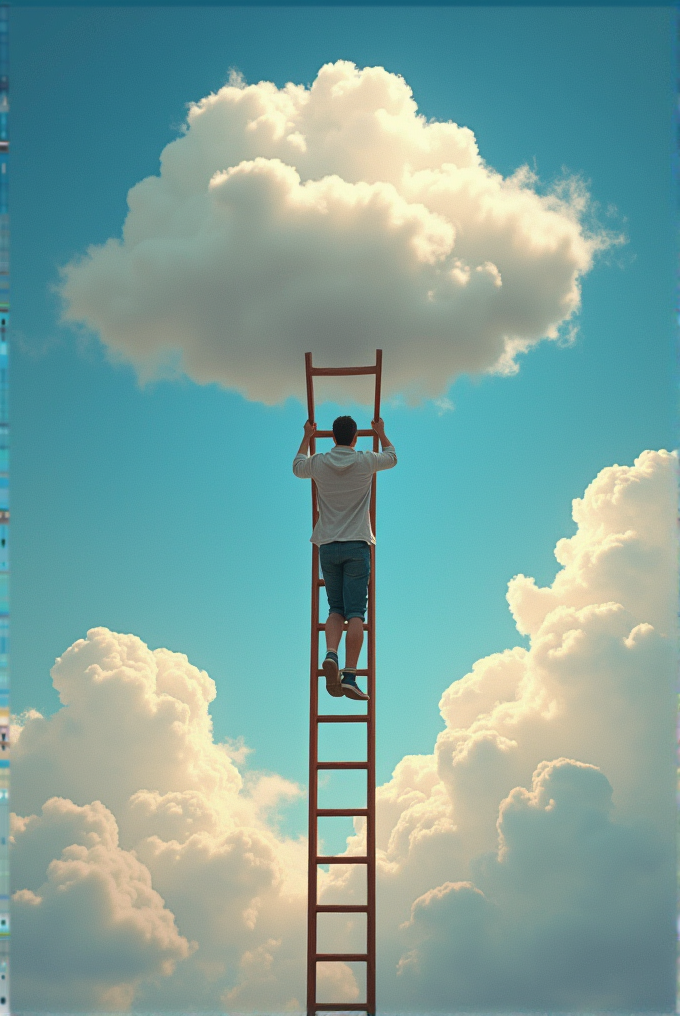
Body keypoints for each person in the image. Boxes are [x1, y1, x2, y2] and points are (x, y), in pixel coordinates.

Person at [293, 415, 397, 700]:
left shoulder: (320, 462)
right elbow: (392, 457)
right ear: (355, 438)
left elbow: (297, 466)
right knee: (355, 615)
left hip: (327, 544)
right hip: (356, 545)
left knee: (335, 609)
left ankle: (331, 655)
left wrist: (306, 436)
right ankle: (349, 675)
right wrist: (382, 432)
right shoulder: (364, 460)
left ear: (332, 437)